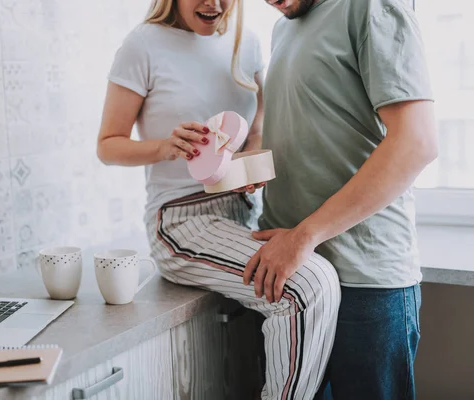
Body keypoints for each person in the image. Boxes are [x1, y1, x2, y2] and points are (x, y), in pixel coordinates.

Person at [97, 0, 340, 398]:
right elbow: (108, 146)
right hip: (181, 222)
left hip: (243, 212)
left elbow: (257, 127)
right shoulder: (142, 45)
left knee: (317, 278)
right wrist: (166, 147)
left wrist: (248, 164)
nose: (214, 3)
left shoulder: (247, 43)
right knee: (305, 286)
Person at [249, 0, 438, 398]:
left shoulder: (370, 5)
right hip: (293, 283)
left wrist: (303, 236)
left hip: (363, 283)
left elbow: (416, 142)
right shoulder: (283, 27)